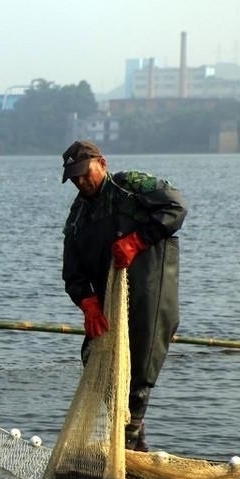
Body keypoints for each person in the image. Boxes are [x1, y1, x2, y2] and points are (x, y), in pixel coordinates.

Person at [60, 140, 186, 451]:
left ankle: (129, 442)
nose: (81, 181)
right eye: (74, 178)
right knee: (93, 359)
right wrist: (87, 303)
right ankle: (132, 438)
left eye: (85, 173)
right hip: (109, 302)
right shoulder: (77, 215)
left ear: (102, 163)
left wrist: (138, 240)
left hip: (151, 291)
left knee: (139, 369)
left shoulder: (130, 186)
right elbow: (72, 272)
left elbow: (176, 208)